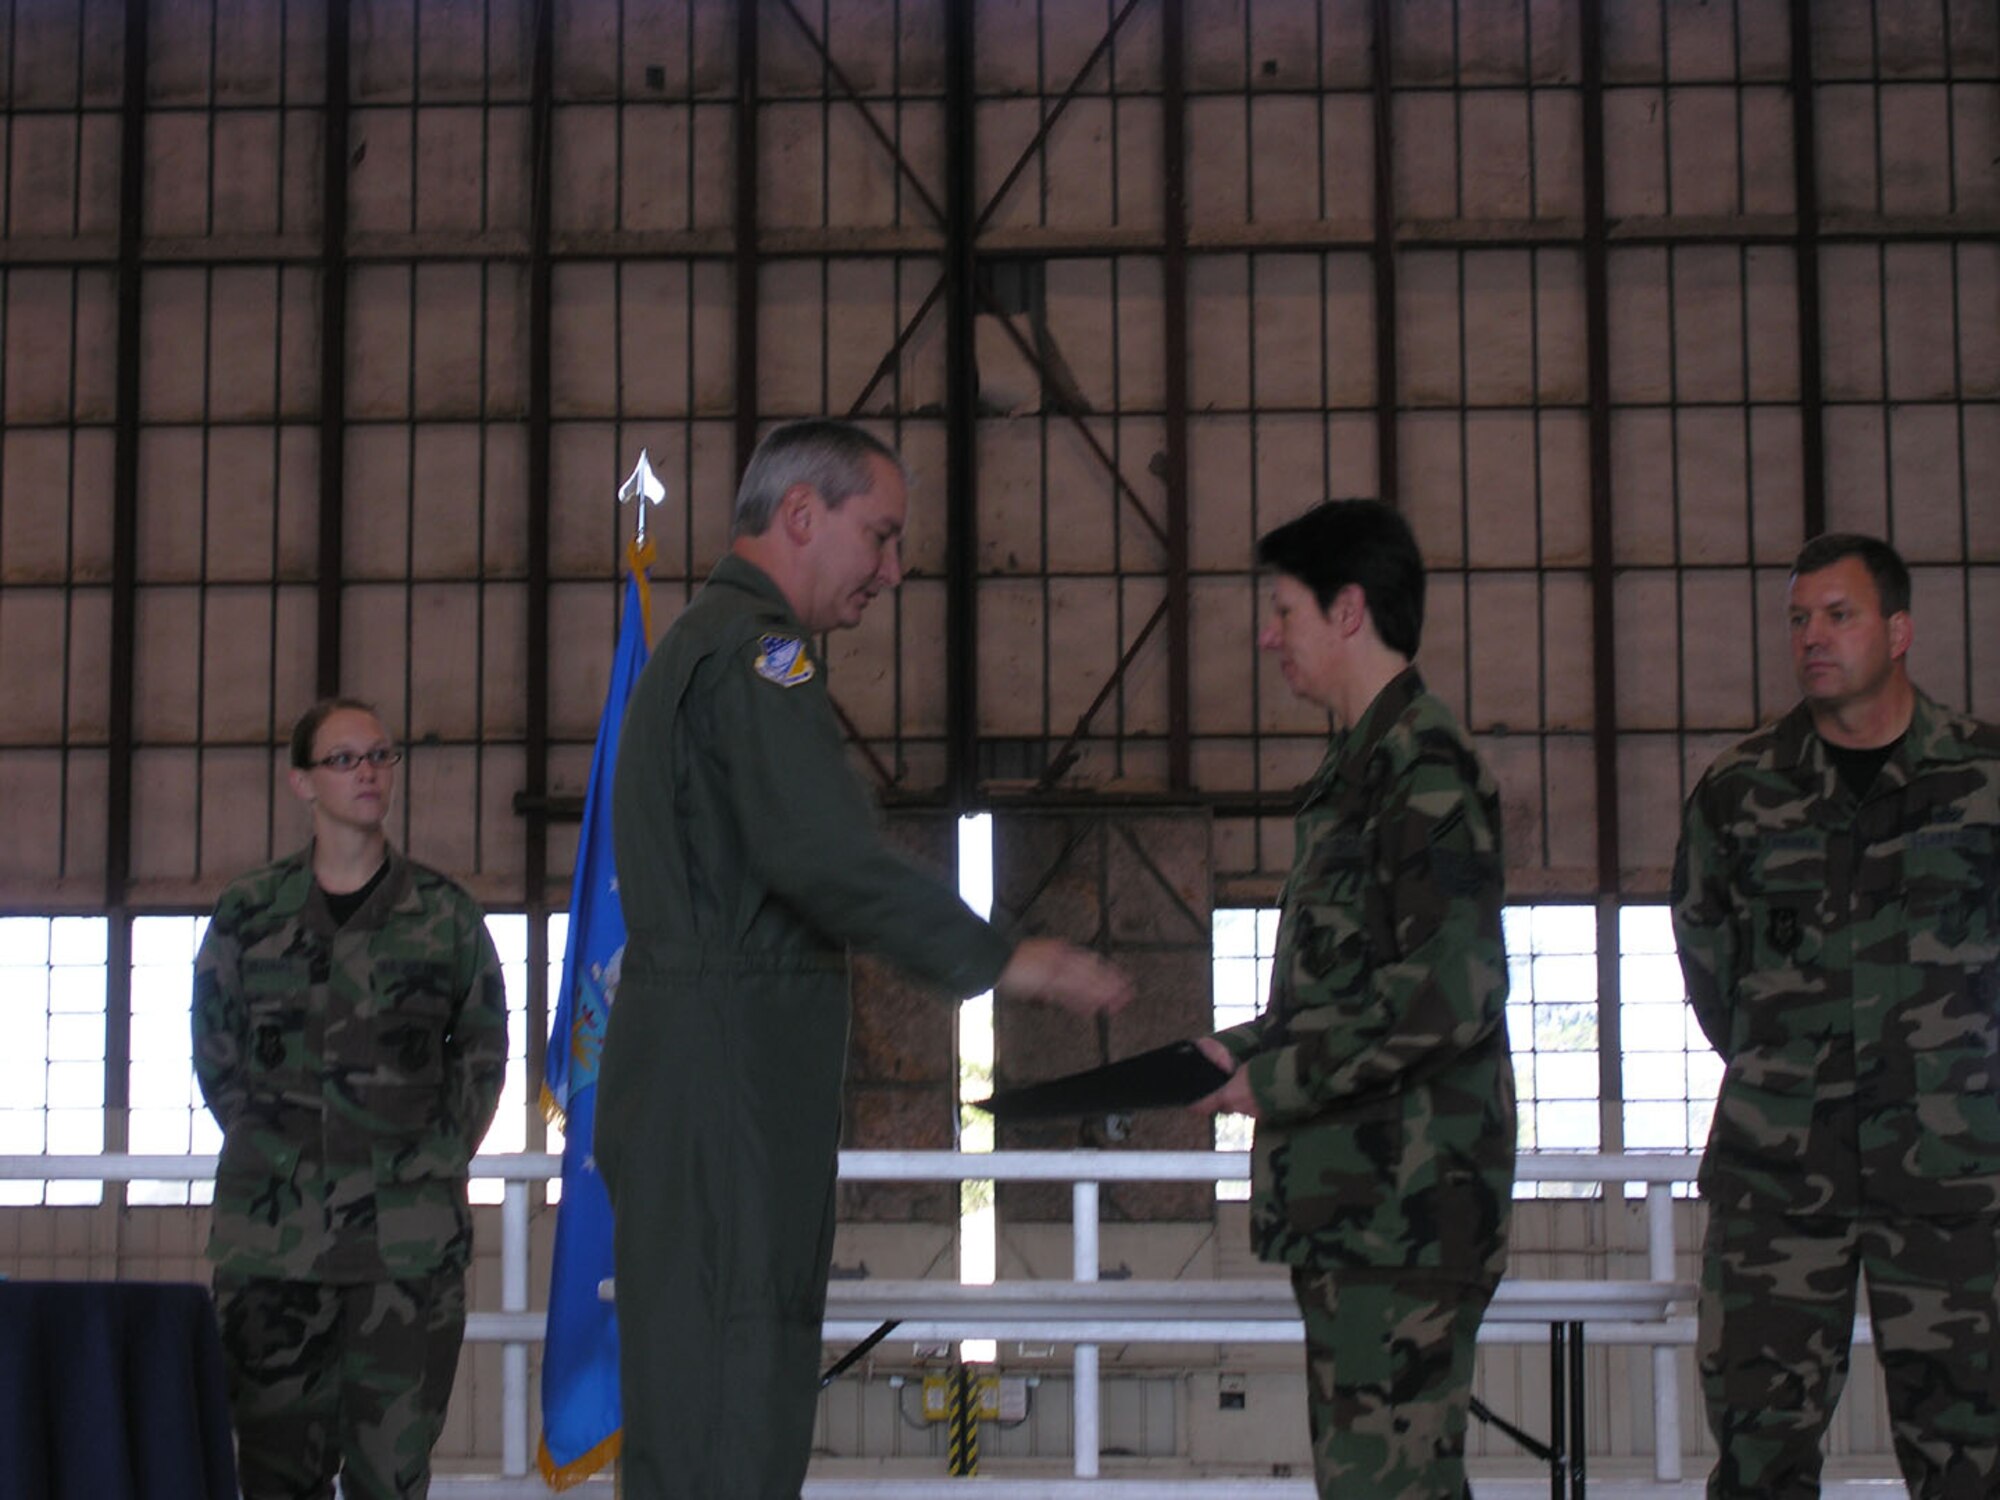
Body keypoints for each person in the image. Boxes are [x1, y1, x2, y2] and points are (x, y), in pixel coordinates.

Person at [598, 418, 1135, 1500]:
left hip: (700, 1071)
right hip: (730, 1082)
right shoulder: (760, 655)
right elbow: (815, 850)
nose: (891, 570)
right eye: (878, 536)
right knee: (732, 1403)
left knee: (697, 1393)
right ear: (801, 514)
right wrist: (997, 956)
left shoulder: (699, 649)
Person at [1189, 499, 1516, 1500]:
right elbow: (1351, 989)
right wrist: (1233, 1050)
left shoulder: (1418, 768)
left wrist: (1273, 1078)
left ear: (1346, 611)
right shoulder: (1360, 770)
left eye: (1281, 609)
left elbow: (1447, 994)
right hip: (1362, 1208)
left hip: (1402, 1212)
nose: (1266, 633)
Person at [1672, 533, 2000, 1499]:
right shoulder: (1740, 794)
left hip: (1954, 1178)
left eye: (1838, 615)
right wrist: (1792, 1068)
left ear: (1898, 631)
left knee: (1972, 1454)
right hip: (1781, 1179)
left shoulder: (1985, 784)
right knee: (1760, 1452)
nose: (1813, 637)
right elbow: (1708, 958)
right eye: (1799, 618)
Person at [193, 698, 509, 1500]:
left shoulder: (445, 918)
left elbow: (482, 1055)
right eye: (345, 759)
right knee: (270, 1480)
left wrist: (425, 1161)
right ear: (301, 782)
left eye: (381, 755)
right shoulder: (248, 913)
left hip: (404, 1258)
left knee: (391, 1481)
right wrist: (283, 1156)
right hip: (273, 1252)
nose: (368, 772)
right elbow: (216, 1051)